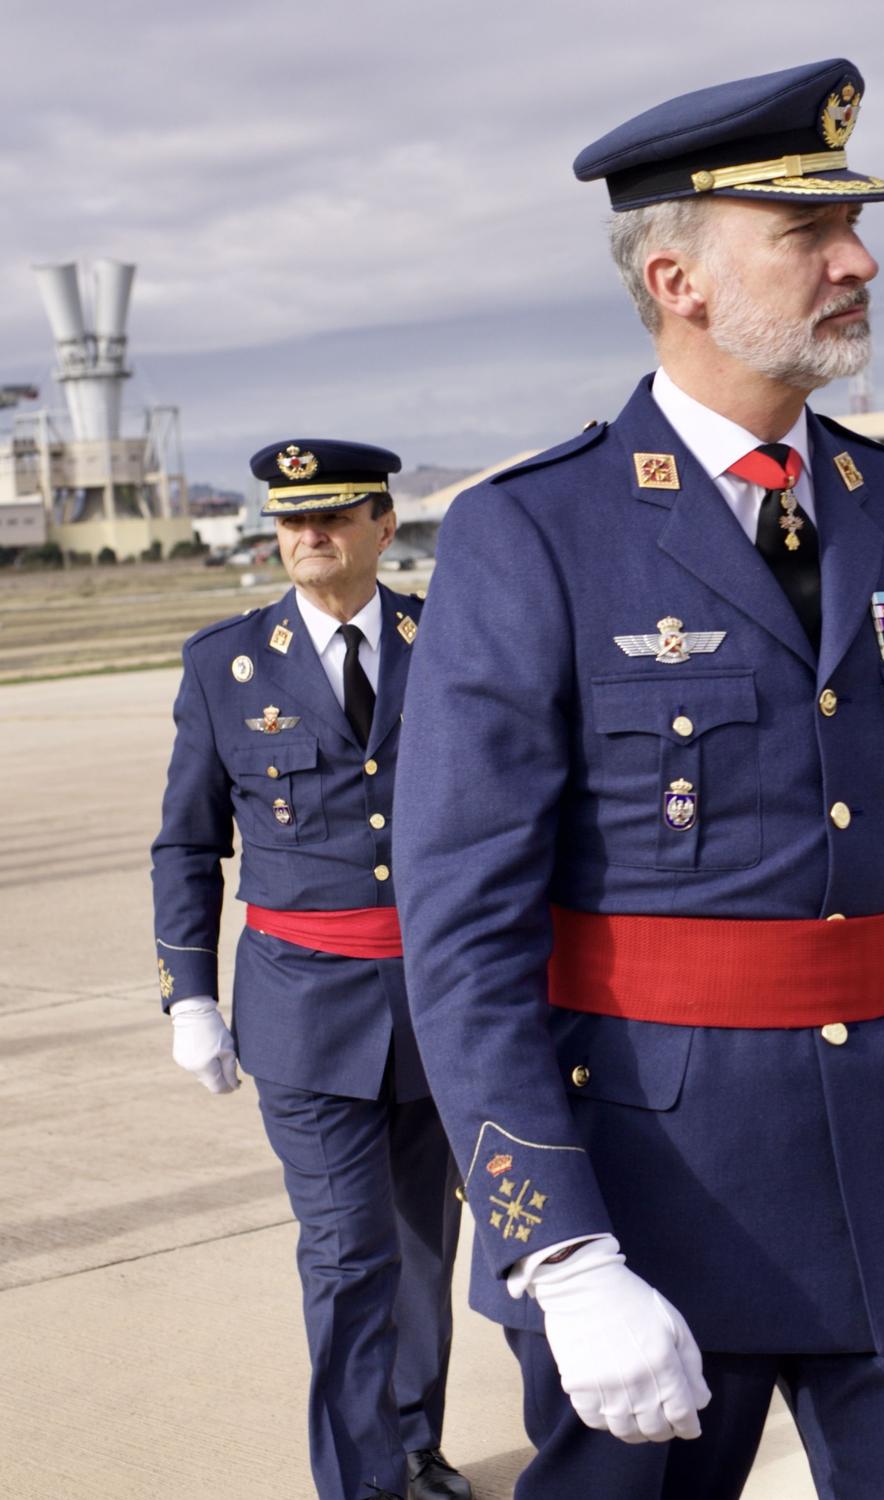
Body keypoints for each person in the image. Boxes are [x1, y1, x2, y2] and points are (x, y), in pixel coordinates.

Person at [395, 61, 884, 1495]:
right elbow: (462, 939)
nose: (858, 259)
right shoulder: (539, 533)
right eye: (806, 236)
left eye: (857, 228)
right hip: (654, 1203)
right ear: (680, 276)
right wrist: (555, 1246)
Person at [150, 440, 469, 1500]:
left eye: (331, 519)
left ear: (384, 526)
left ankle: (413, 1444)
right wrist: (188, 990)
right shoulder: (224, 664)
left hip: (442, 1001)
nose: (307, 538)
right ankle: (361, 1484)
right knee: (347, 1254)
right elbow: (188, 843)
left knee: (424, 1250)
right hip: (303, 1002)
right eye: (289, 522)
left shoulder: (450, 642)